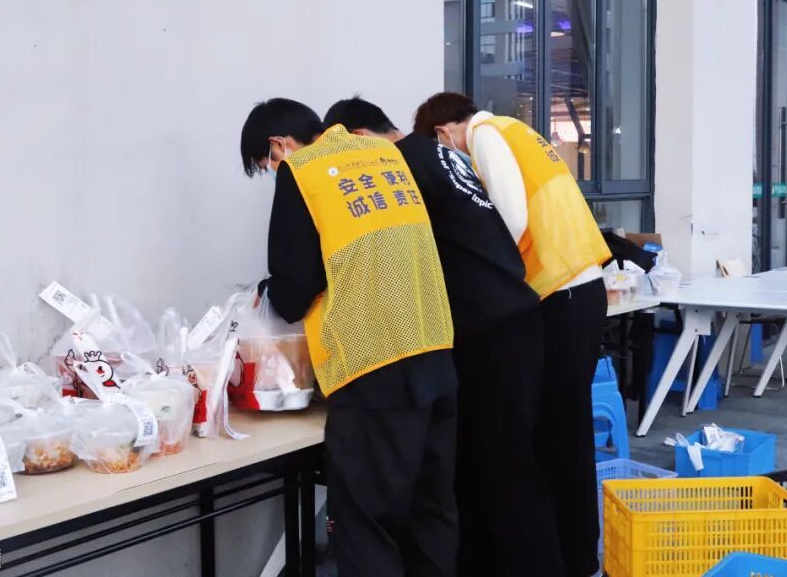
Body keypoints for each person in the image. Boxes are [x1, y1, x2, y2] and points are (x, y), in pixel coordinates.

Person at [323, 96, 564, 576]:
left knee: (501, 469)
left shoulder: (402, 165)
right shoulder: (437, 154)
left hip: (487, 329)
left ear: (361, 138)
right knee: (503, 465)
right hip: (514, 313)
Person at [240, 98, 458, 577]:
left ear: (279, 145)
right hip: (436, 352)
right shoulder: (384, 154)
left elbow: (295, 289)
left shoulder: (301, 171)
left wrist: (265, 295)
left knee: (365, 527)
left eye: (266, 162)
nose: (273, 170)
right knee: (431, 513)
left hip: (372, 366)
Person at [413, 92, 612, 577]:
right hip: (580, 287)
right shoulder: (520, 132)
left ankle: (572, 554)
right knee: (568, 430)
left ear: (443, 133)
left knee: (556, 436)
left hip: (558, 292)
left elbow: (510, 219)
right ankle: (577, 552)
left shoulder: (485, 133)